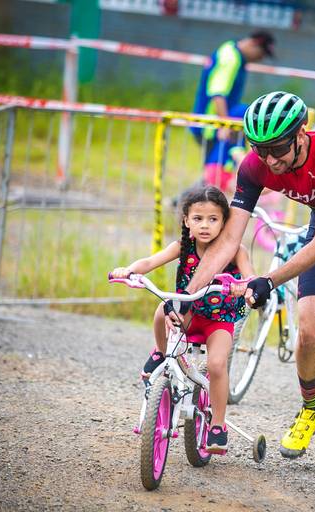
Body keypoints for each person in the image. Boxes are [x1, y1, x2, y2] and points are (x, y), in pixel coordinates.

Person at [184, 91, 315, 475]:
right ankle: (311, 410)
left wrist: (267, 280)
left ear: (302, 134)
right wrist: (187, 296)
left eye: (278, 149)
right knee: (310, 332)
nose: (270, 160)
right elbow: (230, 239)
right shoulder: (256, 166)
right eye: (260, 149)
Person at [110, 186, 254, 454]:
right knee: (161, 309)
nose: (205, 225)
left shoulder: (236, 251)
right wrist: (129, 270)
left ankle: (218, 425)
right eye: (198, 218)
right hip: (188, 314)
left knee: (217, 364)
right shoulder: (183, 246)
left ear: (225, 223)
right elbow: (150, 262)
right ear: (186, 221)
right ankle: (160, 352)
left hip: (219, 320)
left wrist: (243, 286)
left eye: (213, 219)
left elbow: (251, 279)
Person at [191, 30, 275, 193]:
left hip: (215, 121)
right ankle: (184, 201)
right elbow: (218, 93)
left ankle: (180, 201)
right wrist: (225, 125)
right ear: (254, 43)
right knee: (213, 173)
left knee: (212, 172)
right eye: (261, 54)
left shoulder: (232, 52)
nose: (260, 59)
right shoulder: (231, 58)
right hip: (212, 124)